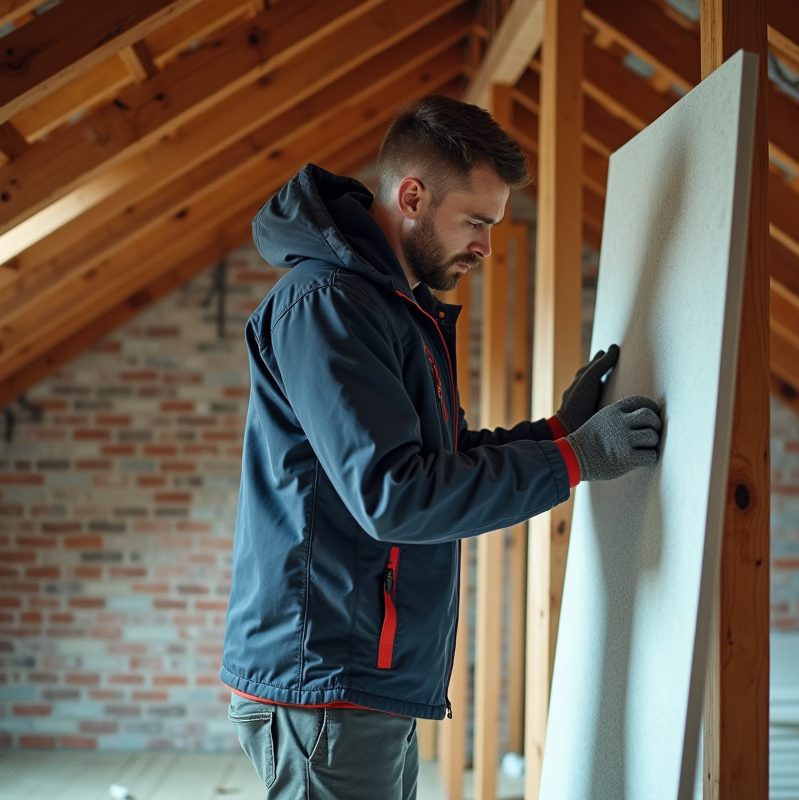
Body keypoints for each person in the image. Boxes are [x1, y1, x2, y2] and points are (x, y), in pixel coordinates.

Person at [222, 95, 662, 799]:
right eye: (476, 222)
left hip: (364, 674)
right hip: (327, 677)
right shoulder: (330, 304)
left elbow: (443, 458)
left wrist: (557, 434)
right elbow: (394, 495)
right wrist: (575, 459)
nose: (485, 245)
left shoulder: (394, 309)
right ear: (413, 197)